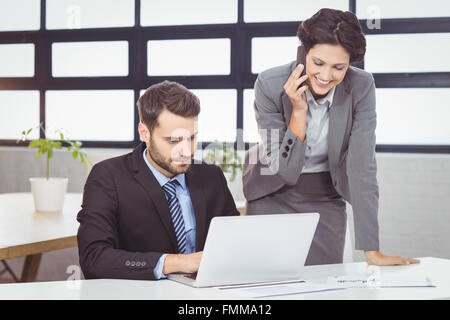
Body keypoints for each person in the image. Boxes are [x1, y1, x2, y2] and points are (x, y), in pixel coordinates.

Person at [243, 8, 419, 266]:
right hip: (272, 191)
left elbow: (361, 167)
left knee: (325, 281)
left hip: (326, 194)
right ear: (304, 52)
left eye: (339, 67)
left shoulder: (361, 86)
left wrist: (372, 251)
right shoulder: (269, 84)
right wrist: (298, 111)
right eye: (318, 63)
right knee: (268, 281)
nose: (326, 76)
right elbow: (286, 171)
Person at [77, 80, 239, 280]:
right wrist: (178, 262)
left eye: (192, 138)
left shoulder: (212, 177)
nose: (186, 151)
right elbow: (94, 259)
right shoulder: (108, 177)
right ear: (144, 133)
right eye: (173, 140)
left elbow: (236, 245)